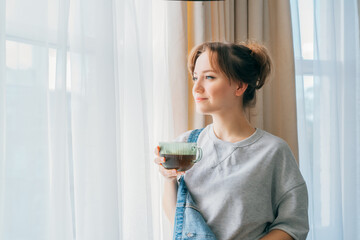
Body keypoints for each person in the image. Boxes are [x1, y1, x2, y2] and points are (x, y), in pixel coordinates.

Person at [154, 42, 309, 240]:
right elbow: (178, 219)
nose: (196, 87)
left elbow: (293, 225)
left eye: (209, 77)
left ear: (239, 86)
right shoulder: (185, 144)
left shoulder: (273, 151)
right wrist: (169, 178)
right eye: (195, 77)